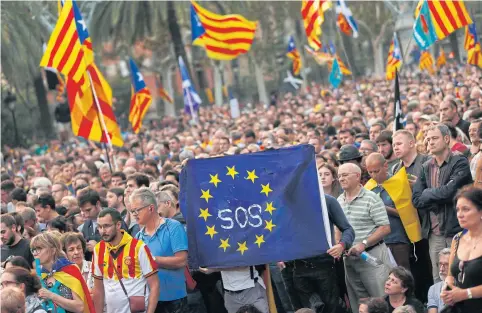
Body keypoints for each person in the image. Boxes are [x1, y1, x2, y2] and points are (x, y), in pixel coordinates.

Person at [412, 124, 473, 283]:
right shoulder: (426, 167)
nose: (430, 142)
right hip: (435, 233)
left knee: (461, 276)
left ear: (446, 139)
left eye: (434, 138)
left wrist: (429, 194)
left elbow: (450, 192)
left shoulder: (459, 161)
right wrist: (435, 198)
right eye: (428, 139)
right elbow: (416, 199)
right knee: (438, 278)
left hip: (457, 229)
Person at [278, 194, 355, 313]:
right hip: (297, 268)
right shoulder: (286, 202)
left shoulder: (327, 201)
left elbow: (348, 229)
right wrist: (280, 254)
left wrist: (341, 245)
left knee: (332, 308)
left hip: (325, 266)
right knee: (306, 309)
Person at [337, 163, 392, 313]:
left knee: (380, 301)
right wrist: (339, 245)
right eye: (339, 175)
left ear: (357, 176)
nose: (341, 178)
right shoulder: (339, 200)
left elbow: (385, 227)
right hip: (349, 259)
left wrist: (364, 244)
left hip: (371, 256)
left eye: (345, 175)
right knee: (358, 305)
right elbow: (337, 228)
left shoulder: (371, 198)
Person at [91, 208, 160, 313]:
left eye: (106, 226)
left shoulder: (139, 247)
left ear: (118, 225)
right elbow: (98, 289)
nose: (102, 231)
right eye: (99, 227)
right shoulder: (98, 249)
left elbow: (154, 285)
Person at [132, 187, 189, 313]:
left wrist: (152, 260)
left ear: (151, 208)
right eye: (132, 211)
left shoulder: (173, 227)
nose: (134, 214)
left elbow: (181, 261)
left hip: (175, 299)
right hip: (151, 301)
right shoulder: (138, 237)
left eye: (137, 210)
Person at [365, 153, 411, 270]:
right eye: (370, 172)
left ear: (385, 165)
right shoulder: (368, 187)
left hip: (398, 238)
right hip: (377, 241)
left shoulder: (399, 182)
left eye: (376, 171)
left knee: (403, 274)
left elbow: (408, 214)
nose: (374, 175)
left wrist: (383, 208)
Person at [30, 231, 95, 313]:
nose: (35, 253)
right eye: (33, 250)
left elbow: (80, 307)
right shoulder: (39, 276)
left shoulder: (69, 270)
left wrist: (51, 296)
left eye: (39, 248)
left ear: (53, 250)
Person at [441, 187, 482, 311]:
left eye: (466, 209)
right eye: (458, 209)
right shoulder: (457, 239)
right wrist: (447, 288)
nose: (459, 214)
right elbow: (450, 276)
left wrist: (466, 293)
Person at [427, 248, 450, 313]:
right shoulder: (433, 289)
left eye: (446, 264)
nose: (441, 269)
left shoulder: (463, 286)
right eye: (440, 264)